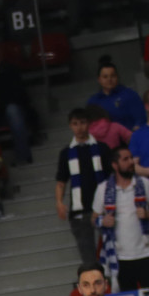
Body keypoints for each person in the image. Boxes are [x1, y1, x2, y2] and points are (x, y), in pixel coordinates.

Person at [92, 146, 149, 292]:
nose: (131, 162)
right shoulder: (103, 189)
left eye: (131, 158)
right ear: (115, 165)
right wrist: (103, 221)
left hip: (148, 253)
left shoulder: (144, 183)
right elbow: (93, 219)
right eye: (125, 159)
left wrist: (148, 214)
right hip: (121, 257)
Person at [57, 108, 112, 266]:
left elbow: (111, 178)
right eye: (75, 124)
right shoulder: (66, 153)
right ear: (70, 126)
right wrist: (59, 202)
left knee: (112, 253)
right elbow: (61, 181)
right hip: (79, 212)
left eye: (82, 122)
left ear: (88, 124)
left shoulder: (102, 148)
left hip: (104, 209)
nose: (79, 127)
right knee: (88, 260)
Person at [85, 59, 145, 131]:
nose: (109, 79)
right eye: (105, 77)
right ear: (99, 79)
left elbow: (140, 120)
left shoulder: (130, 95)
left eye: (113, 76)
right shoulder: (93, 101)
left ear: (117, 77)